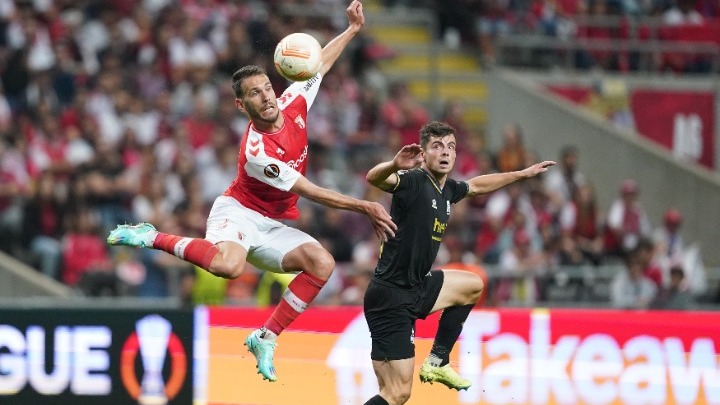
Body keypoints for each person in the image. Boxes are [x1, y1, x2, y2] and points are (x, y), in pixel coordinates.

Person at [106, 0, 396, 382]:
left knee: (322, 264)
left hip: (269, 223)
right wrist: (366, 206)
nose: (267, 97)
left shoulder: (293, 101)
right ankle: (151, 236)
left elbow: (320, 64)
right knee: (229, 267)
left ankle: (266, 336)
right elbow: (309, 190)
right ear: (241, 105)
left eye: (267, 88)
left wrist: (353, 30)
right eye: (255, 94)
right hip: (237, 213)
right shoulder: (257, 151)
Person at [362, 121, 555, 405]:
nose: (445, 152)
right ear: (423, 153)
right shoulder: (414, 181)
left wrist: (522, 174)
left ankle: (438, 360)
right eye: (437, 146)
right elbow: (374, 178)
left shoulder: (447, 189)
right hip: (391, 297)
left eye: (451, 147)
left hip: (417, 288)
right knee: (397, 393)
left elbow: (477, 185)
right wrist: (393, 164)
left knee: (473, 284)